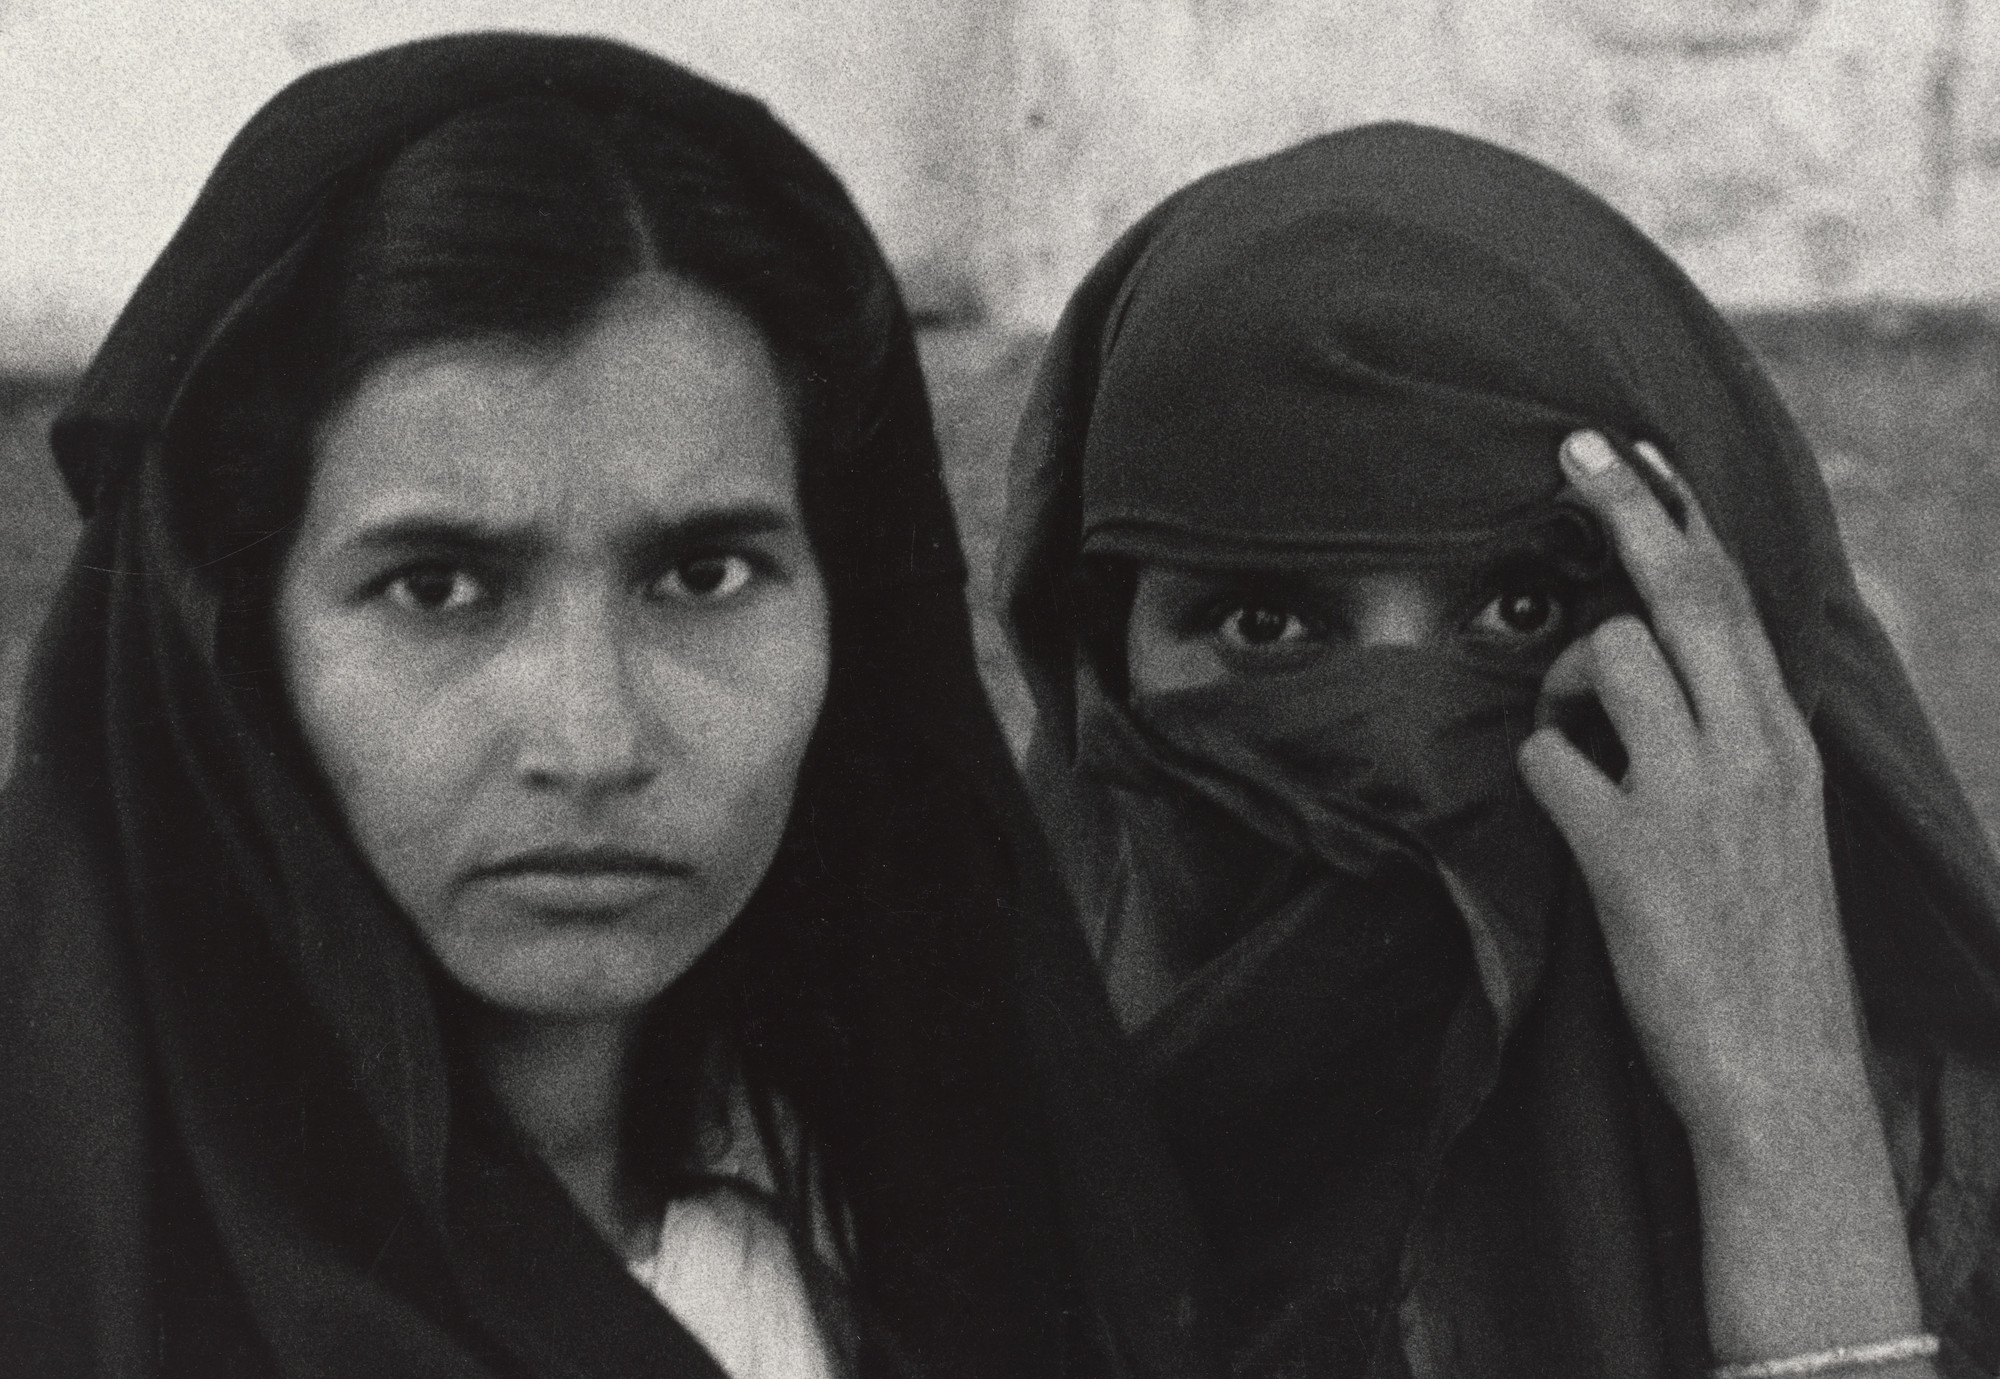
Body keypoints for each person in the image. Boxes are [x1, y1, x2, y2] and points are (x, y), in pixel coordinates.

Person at [0, 34, 1208, 1379]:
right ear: (235, 639)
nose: (593, 740)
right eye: (439, 585)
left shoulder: (971, 1233)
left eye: (702, 574)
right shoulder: (68, 1266)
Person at [999, 123, 2000, 1379]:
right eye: (1265, 622)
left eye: (1518, 612)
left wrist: (1786, 1128)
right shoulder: (896, 1169)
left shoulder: (1945, 1185)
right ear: (1102, 655)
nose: (1406, 748)